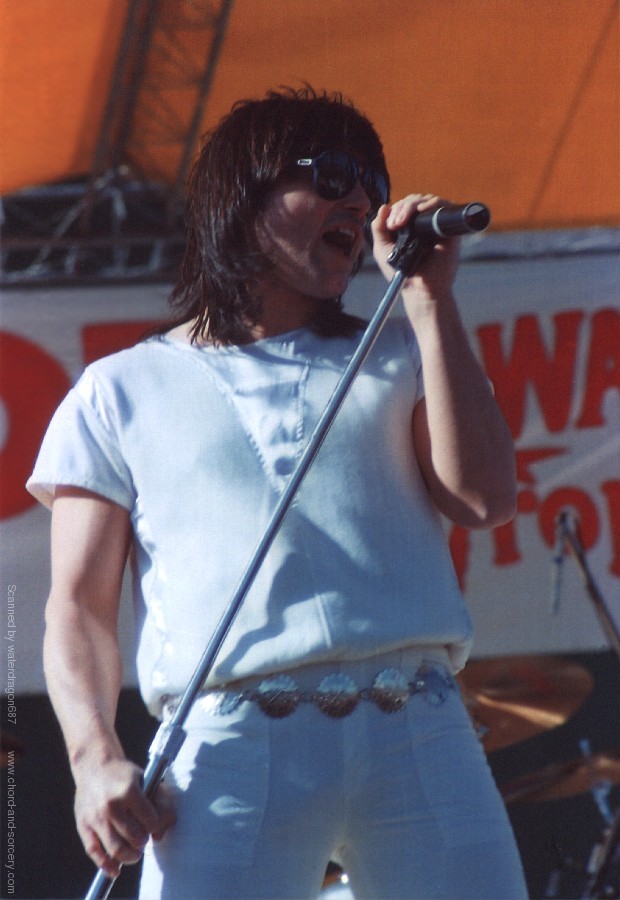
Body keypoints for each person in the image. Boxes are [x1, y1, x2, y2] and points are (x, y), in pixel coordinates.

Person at [28, 86, 527, 899]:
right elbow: (77, 608)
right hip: (231, 745)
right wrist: (93, 759)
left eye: (370, 178)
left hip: (419, 725)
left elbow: (483, 499)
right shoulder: (118, 390)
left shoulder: (402, 349)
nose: (360, 197)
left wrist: (432, 301)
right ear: (244, 195)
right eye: (330, 174)